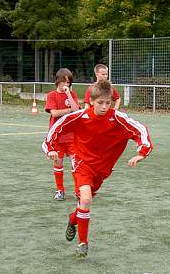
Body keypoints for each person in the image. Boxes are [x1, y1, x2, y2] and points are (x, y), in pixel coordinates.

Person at [43, 80, 152, 257]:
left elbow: (140, 130)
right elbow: (56, 128)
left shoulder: (117, 118)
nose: (104, 107)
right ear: (92, 101)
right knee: (86, 200)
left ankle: (73, 219)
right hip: (82, 163)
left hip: (102, 170)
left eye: (108, 103)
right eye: (100, 103)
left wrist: (142, 152)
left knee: (83, 204)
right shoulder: (80, 117)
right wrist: (50, 149)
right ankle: (83, 244)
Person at [44, 68, 80, 200]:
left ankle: (78, 191)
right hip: (57, 136)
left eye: (68, 82)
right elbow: (54, 113)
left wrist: (68, 94)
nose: (66, 84)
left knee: (76, 164)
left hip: (71, 136)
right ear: (57, 81)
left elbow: (76, 110)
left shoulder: (72, 94)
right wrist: (69, 110)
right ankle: (60, 190)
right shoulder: (52, 95)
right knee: (58, 163)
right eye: (64, 81)